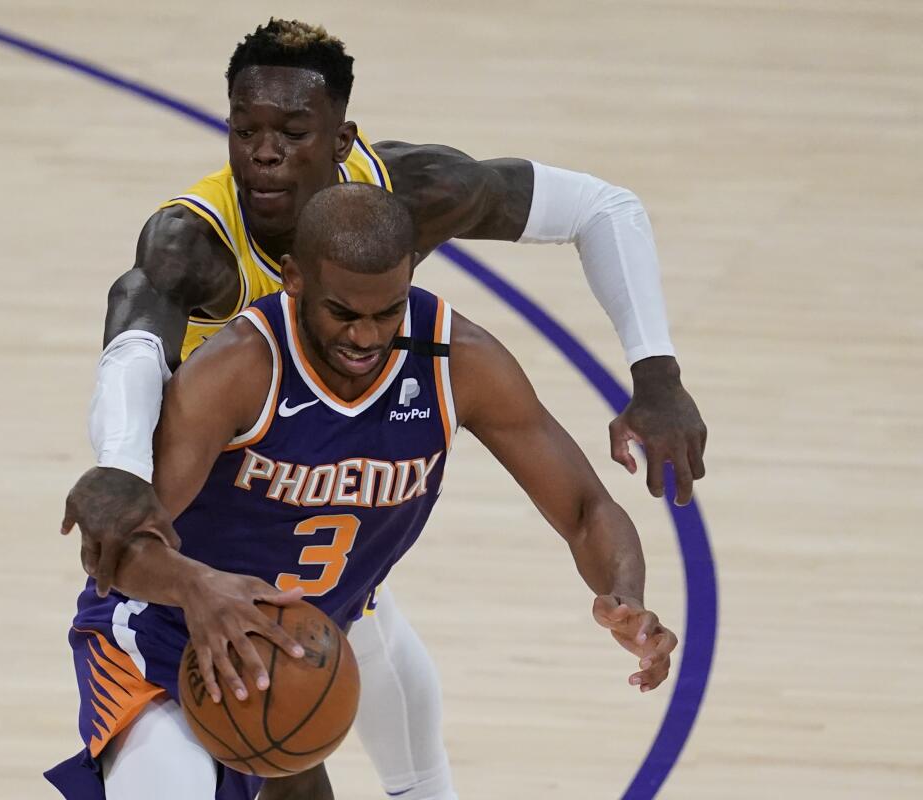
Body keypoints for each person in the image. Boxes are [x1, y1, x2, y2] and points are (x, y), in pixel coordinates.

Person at [61, 18, 705, 800]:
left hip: (322, 569)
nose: (265, 153)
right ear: (295, 281)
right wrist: (123, 468)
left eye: (294, 132)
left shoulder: (426, 262)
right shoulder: (198, 266)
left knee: (360, 742)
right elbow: (131, 349)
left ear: (341, 141)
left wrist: (657, 377)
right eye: (246, 130)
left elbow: (602, 209)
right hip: (195, 552)